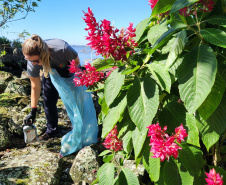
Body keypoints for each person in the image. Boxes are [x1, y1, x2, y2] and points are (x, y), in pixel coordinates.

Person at [22, 34, 98, 157]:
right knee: (48, 100)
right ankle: (52, 130)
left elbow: (77, 62)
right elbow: (35, 85)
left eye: (35, 61)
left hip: (70, 71)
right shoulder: (32, 61)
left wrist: (68, 73)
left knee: (77, 102)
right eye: (29, 60)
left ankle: (83, 130)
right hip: (50, 71)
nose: (33, 64)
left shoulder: (62, 49)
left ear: (43, 54)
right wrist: (33, 110)